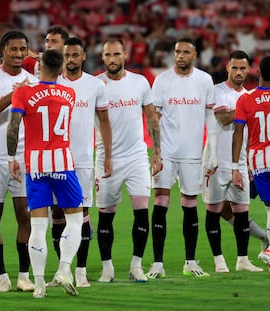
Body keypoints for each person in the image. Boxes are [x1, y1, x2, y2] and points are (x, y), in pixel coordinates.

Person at [7, 48, 83, 298]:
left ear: (39, 67)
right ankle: (63, 269)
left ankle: (38, 286)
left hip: (36, 165)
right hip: (63, 162)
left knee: (38, 226)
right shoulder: (69, 93)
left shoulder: (23, 93)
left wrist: (11, 158)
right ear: (62, 69)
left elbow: (13, 127)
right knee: (74, 220)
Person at [147, 38, 216, 279]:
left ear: (195, 54)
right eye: (177, 52)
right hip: (166, 153)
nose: (181, 56)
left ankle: (190, 261)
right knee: (160, 205)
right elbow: (154, 118)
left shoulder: (205, 80)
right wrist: (156, 152)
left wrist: (212, 150)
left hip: (192, 154)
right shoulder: (162, 80)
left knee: (190, 205)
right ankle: (157, 263)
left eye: (186, 52)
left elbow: (210, 118)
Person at [95, 38, 162, 283]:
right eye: (107, 55)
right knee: (106, 215)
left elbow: (152, 119)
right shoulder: (96, 84)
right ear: (102, 57)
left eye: (116, 54)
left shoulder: (140, 82)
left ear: (125, 54)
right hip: (106, 158)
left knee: (142, 212)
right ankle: (107, 268)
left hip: (136, 157)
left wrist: (157, 152)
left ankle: (136, 266)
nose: (112, 59)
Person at [0, 30, 38, 292]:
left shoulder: (34, 80)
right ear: (2, 50)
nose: (18, 54)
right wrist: (15, 96)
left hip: (24, 158)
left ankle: (24, 275)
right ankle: (2, 276)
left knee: (26, 216)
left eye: (22, 49)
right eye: (13, 49)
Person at [54, 37, 112, 287]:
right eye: (67, 55)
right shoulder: (52, 82)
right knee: (57, 214)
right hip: (56, 160)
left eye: (75, 55)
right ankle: (62, 270)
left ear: (84, 56)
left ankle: (81, 270)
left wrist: (107, 155)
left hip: (84, 161)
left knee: (83, 214)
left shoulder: (95, 85)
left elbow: (104, 122)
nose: (71, 60)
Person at [202, 50, 263, 273]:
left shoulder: (248, 95)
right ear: (227, 67)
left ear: (249, 70)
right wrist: (246, 107)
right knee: (214, 210)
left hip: (240, 163)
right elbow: (224, 117)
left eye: (243, 68)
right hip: (216, 162)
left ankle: (242, 259)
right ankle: (219, 261)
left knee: (241, 211)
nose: (238, 72)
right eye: (235, 68)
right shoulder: (217, 92)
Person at [232, 55, 270, 278]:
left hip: (257, 162)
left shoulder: (245, 99)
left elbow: (238, 134)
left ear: (257, 72)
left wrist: (236, 165)